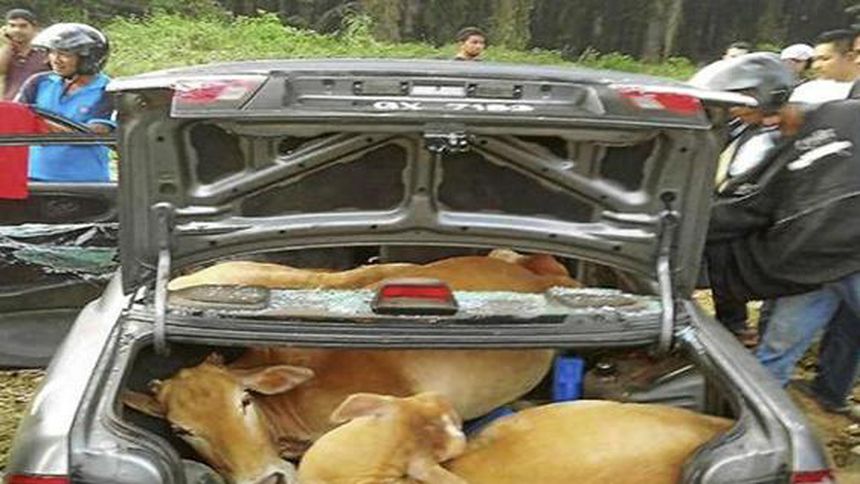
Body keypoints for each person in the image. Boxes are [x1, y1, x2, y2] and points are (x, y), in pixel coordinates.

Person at [692, 55, 860, 419]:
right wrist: (687, 224)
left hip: (850, 261)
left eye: (743, 110)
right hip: (810, 269)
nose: (740, 118)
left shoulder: (848, 115)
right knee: (776, 351)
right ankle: (755, 424)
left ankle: (828, 396)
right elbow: (747, 207)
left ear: (765, 101)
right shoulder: (778, 150)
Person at [15, 23, 114, 183]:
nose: (55, 59)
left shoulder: (108, 90)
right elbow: (15, 118)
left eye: (64, 54)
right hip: (33, 177)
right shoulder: (39, 82)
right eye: (52, 52)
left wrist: (40, 124)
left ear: (87, 58)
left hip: (83, 182)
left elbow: (96, 131)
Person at [790, 30, 859, 103]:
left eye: (824, 59)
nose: (816, 66)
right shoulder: (806, 91)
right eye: (814, 60)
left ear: (850, 57)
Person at [0, 8, 48, 100]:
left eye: (23, 26)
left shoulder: (45, 52)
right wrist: (7, 44)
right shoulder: (7, 51)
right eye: (12, 26)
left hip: (37, 105)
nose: (17, 30)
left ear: (34, 28)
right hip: (10, 104)